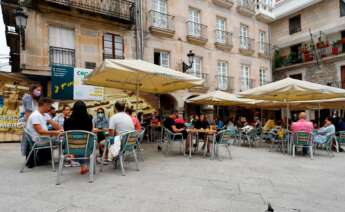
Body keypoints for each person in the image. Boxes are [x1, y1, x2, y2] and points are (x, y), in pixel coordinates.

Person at [25, 97, 62, 168]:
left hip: (43, 138)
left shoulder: (45, 114)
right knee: (62, 141)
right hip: (38, 140)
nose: (50, 108)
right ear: (45, 105)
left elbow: (54, 124)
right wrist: (56, 132)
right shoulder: (35, 115)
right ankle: (66, 159)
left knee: (62, 138)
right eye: (49, 106)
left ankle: (64, 158)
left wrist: (61, 129)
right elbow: (41, 132)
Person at [64, 100, 93, 174]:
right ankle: (84, 164)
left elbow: (65, 133)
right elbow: (90, 130)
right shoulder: (89, 120)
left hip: (71, 146)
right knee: (90, 139)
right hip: (86, 146)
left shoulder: (67, 121)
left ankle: (77, 159)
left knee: (76, 143)